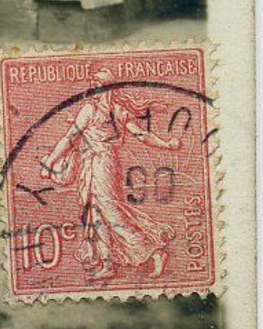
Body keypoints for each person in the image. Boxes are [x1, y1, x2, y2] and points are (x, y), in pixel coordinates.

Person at [39, 66, 183, 281]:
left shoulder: (108, 110)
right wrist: (51, 161)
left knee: (110, 210)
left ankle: (153, 250)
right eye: (93, 87)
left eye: (98, 86)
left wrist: (167, 145)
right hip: (94, 163)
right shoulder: (100, 110)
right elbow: (71, 138)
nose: (94, 91)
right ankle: (107, 264)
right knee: (95, 212)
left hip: (103, 164)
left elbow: (141, 135)